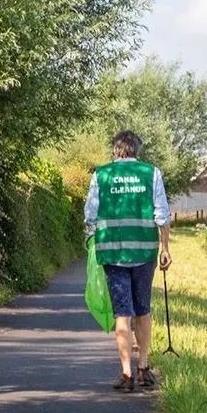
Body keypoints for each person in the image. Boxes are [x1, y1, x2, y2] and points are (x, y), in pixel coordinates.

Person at [83, 130, 170, 392]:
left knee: (122, 313)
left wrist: (91, 241)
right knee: (143, 310)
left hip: (112, 252)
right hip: (144, 252)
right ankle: (144, 368)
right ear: (136, 150)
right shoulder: (151, 173)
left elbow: (90, 215)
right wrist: (165, 248)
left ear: (115, 150)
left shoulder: (101, 175)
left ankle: (126, 373)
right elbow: (162, 215)